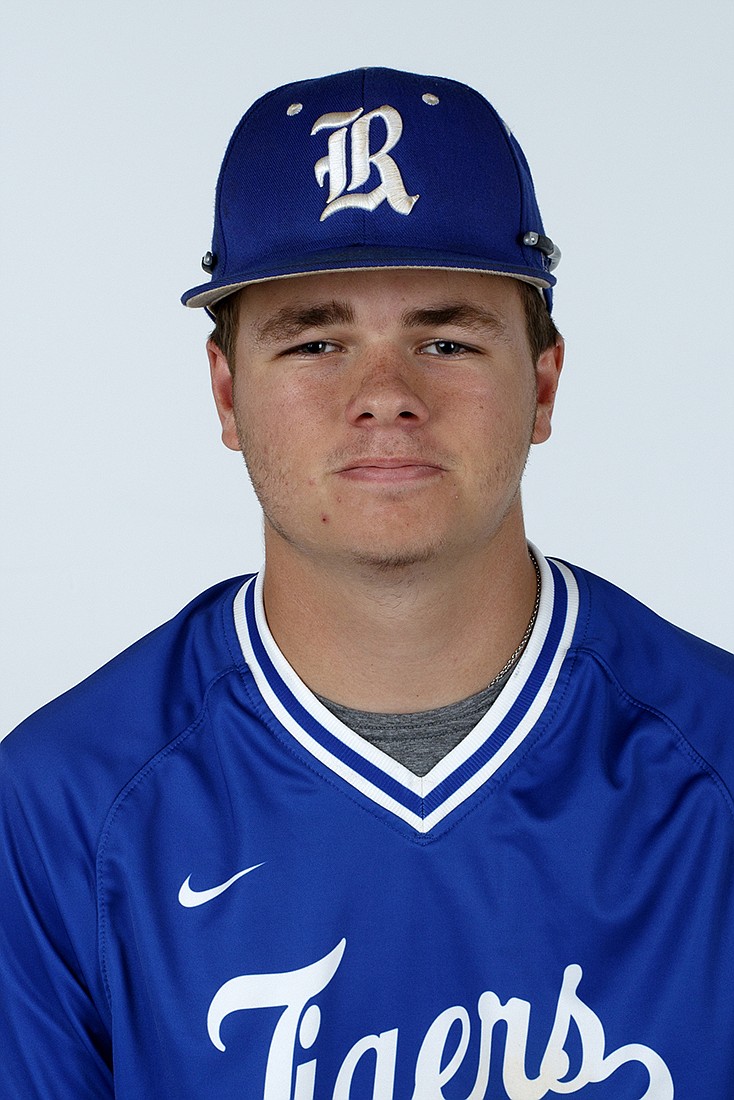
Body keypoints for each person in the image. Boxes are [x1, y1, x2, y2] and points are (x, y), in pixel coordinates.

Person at [1, 66, 732, 1100]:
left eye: (443, 338)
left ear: (543, 383)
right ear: (225, 391)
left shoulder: (715, 768)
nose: (384, 394)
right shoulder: (59, 807)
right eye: (315, 340)